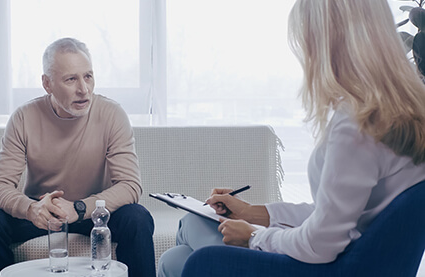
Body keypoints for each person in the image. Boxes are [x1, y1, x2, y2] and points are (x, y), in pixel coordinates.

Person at [157, 0, 425, 276]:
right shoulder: (405, 109)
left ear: (326, 42)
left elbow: (321, 243)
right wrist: (253, 213)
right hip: (356, 260)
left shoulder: (358, 124)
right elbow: (338, 213)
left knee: (191, 228)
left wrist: (254, 236)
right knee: (177, 257)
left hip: (326, 266)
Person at [0, 37, 156, 277]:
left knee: (138, 218)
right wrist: (31, 209)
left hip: (93, 211)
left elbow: (130, 186)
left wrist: (80, 208)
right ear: (47, 84)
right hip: (42, 212)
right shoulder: (24, 117)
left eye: (88, 76)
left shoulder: (112, 114)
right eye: (71, 79)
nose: (84, 89)